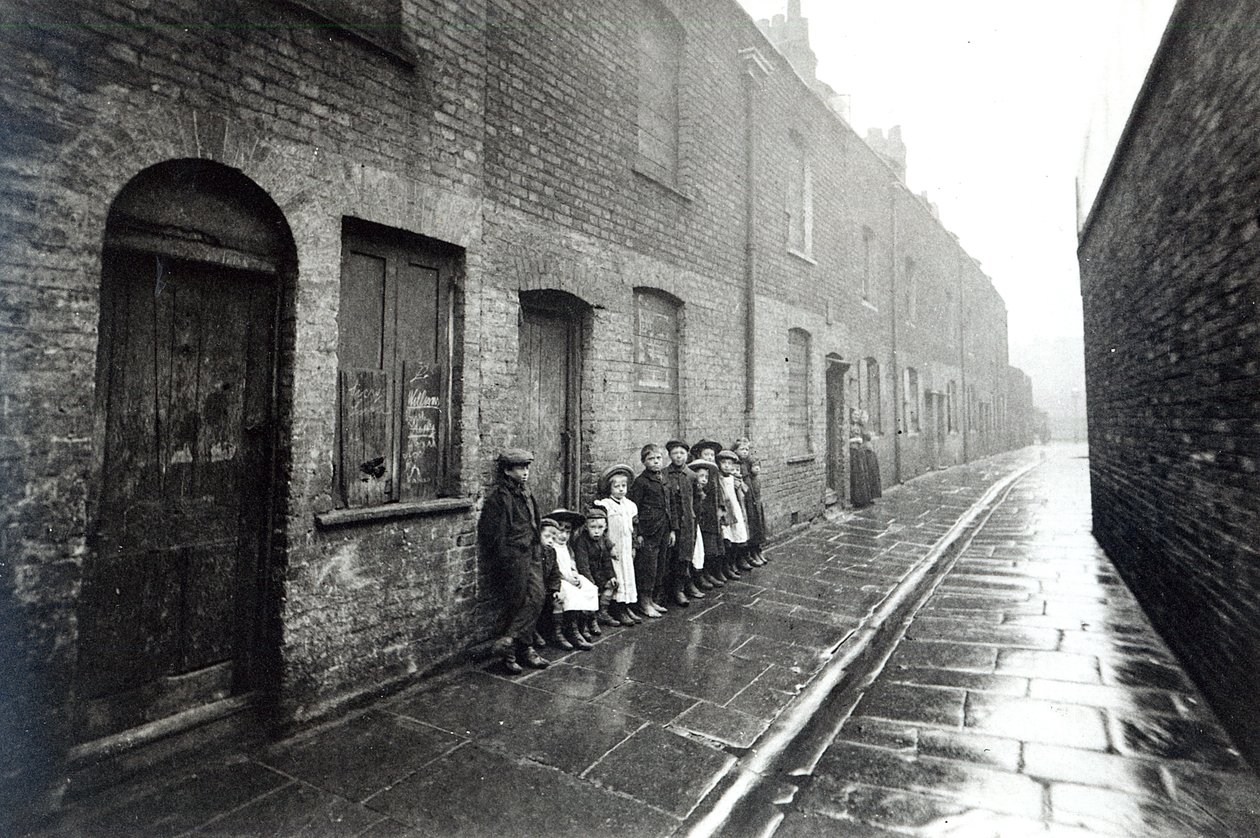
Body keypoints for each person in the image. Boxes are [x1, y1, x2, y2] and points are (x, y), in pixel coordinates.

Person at [476, 448, 552, 674]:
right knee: (516, 601)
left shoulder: (526, 493)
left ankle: (508, 639)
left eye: (527, 467)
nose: (526, 472)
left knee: (537, 597)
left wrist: (538, 545)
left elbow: (534, 519)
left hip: (532, 552)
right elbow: (489, 532)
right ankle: (516, 652)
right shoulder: (499, 498)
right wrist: (504, 557)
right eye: (520, 468)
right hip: (513, 556)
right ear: (508, 471)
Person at [627, 443, 676, 618]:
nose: (655, 462)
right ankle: (644, 601)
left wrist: (672, 530)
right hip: (648, 531)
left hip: (663, 528)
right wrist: (638, 532)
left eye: (658, 458)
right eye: (650, 459)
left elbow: (670, 505)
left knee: (660, 564)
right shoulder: (641, 482)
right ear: (643, 462)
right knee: (647, 566)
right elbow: (634, 509)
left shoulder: (664, 478)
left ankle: (652, 599)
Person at [542, 509, 599, 650]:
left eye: (567, 532)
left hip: (569, 577)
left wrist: (574, 574)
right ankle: (569, 631)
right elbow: (554, 571)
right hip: (558, 580)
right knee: (571, 592)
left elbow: (571, 563)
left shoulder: (568, 548)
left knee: (590, 588)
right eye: (560, 532)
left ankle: (582, 625)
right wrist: (567, 579)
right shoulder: (551, 546)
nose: (563, 536)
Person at [594, 464, 641, 625]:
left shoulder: (630, 505)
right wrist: (610, 546)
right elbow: (603, 529)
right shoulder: (605, 505)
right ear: (610, 488)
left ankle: (627, 606)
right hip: (614, 548)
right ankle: (617, 609)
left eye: (623, 486)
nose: (621, 490)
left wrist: (634, 546)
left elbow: (634, 527)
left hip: (626, 547)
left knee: (628, 574)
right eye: (617, 486)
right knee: (616, 576)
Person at [663, 439, 702, 607]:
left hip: (687, 522)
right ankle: (667, 590)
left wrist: (693, 518)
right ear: (670, 455)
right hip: (671, 522)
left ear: (687, 455)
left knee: (685, 555)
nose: (678, 457)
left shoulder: (692, 476)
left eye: (682, 453)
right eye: (675, 453)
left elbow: (697, 500)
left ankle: (680, 588)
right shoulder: (664, 474)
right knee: (670, 555)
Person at [571, 507, 621, 633]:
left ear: (605, 528)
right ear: (586, 527)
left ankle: (602, 613)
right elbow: (583, 565)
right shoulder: (582, 541)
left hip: (599, 574)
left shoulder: (603, 540)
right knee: (590, 592)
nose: (597, 531)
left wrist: (611, 576)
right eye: (593, 527)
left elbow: (606, 561)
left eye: (600, 527)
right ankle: (589, 619)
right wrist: (591, 582)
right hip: (587, 574)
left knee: (612, 585)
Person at [689, 439, 728, 586]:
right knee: (704, 546)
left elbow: (719, 492)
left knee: (715, 546)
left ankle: (713, 572)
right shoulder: (697, 473)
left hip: (713, 514)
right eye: (707, 454)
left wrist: (720, 507)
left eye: (712, 455)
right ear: (699, 455)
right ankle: (703, 575)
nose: (710, 458)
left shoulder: (713, 473)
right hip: (703, 516)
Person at [732, 438, 767, 567]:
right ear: (735, 450)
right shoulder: (736, 465)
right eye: (742, 449)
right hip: (743, 501)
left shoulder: (749, 463)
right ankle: (745, 555)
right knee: (746, 527)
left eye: (747, 449)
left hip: (752, 499)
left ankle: (756, 551)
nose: (745, 452)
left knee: (755, 524)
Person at [686, 458, 720, 590]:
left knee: (703, 550)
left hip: (702, 524)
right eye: (701, 476)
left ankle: (703, 575)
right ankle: (694, 580)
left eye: (706, 476)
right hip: (692, 525)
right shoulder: (692, 490)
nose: (704, 479)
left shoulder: (705, 491)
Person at [716, 449, 750, 579]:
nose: (726, 466)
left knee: (737, 537)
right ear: (719, 464)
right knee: (727, 540)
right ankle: (726, 567)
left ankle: (734, 563)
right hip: (726, 512)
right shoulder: (719, 479)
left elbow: (742, 493)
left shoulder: (734, 478)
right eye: (723, 463)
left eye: (729, 464)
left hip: (735, 510)